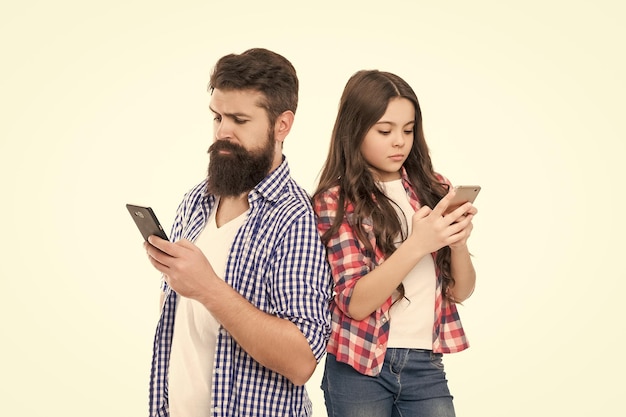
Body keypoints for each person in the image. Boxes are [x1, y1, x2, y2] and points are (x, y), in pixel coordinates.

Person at [144, 48, 332, 417]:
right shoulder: (197, 199)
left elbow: (302, 361)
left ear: (282, 125)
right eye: (217, 117)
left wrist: (207, 287)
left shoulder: (295, 219)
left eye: (239, 120)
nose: (222, 132)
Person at [311, 69, 478, 417]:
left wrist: (458, 243)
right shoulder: (335, 201)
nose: (400, 141)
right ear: (354, 129)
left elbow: (460, 292)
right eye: (385, 131)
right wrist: (418, 244)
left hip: (426, 365)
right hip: (359, 366)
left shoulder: (434, 188)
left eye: (408, 129)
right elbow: (356, 303)